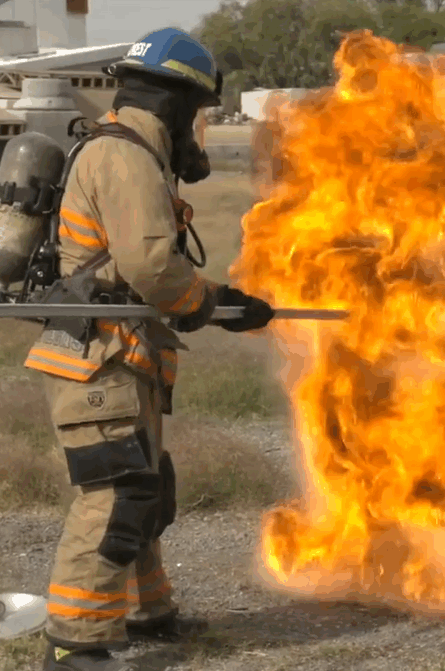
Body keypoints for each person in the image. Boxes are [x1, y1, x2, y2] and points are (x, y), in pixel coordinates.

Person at [22, 27, 275, 671]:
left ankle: (146, 612)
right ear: (174, 102)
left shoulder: (131, 153)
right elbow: (153, 266)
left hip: (120, 359)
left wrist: (223, 300)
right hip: (99, 360)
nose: (202, 127)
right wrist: (208, 307)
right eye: (199, 111)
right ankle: (74, 641)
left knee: (145, 488)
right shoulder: (125, 157)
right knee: (114, 494)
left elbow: (142, 266)